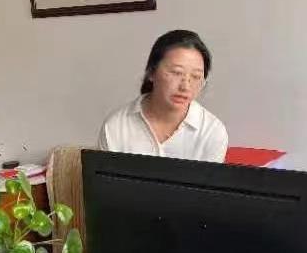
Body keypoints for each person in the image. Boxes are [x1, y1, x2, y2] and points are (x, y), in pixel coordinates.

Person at [98, 30, 228, 162]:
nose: (185, 87)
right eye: (176, 72)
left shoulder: (212, 132)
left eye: (196, 76)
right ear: (151, 72)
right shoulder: (116, 127)